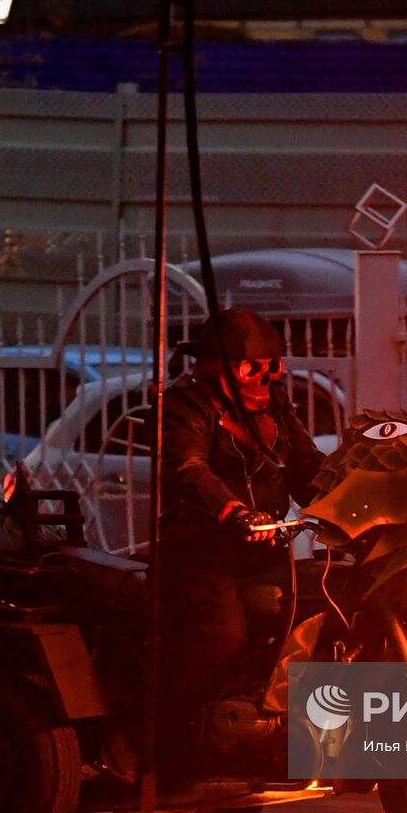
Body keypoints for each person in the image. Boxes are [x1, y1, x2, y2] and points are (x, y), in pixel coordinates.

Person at [159, 308, 325, 734]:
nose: (265, 378)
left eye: (273, 367)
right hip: (203, 552)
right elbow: (188, 469)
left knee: (311, 612)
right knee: (223, 633)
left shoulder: (277, 402)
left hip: (266, 548)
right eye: (251, 367)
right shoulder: (183, 405)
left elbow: (306, 463)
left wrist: (352, 498)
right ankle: (167, 734)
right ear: (213, 366)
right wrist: (234, 511)